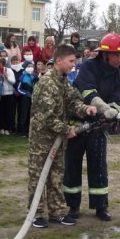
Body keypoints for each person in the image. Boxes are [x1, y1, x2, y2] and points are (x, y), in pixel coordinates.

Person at [28, 44, 97, 228]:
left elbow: (73, 101)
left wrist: (86, 109)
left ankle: (57, 212)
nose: (73, 65)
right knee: (38, 177)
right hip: (42, 140)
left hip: (57, 140)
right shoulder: (47, 83)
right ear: (59, 61)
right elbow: (47, 117)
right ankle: (36, 214)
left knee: (56, 176)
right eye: (71, 61)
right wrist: (68, 129)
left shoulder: (63, 81)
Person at [64, 33, 120, 222]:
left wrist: (112, 113)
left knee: (99, 167)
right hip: (78, 124)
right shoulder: (89, 66)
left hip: (99, 127)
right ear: (104, 54)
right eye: (116, 55)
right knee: (72, 166)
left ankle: (101, 206)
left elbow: (119, 100)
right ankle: (72, 206)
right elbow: (87, 91)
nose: (119, 59)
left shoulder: (119, 75)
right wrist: (105, 108)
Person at [17, 61, 38, 137]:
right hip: (24, 98)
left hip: (33, 98)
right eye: (29, 66)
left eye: (32, 66)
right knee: (23, 114)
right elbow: (18, 88)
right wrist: (26, 94)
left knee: (30, 114)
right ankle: (21, 131)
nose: (30, 68)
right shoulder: (22, 76)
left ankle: (28, 131)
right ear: (25, 67)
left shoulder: (34, 76)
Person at [0, 57, 15, 135]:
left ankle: (7, 128)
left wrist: (6, 77)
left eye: (0, 64)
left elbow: (13, 81)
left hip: (8, 93)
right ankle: (1, 127)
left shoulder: (9, 70)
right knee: (1, 111)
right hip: (0, 93)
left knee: (8, 111)